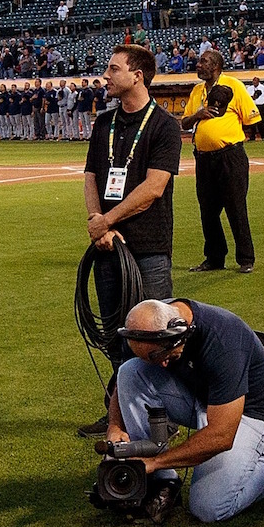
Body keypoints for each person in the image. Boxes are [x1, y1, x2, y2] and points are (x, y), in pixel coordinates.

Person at [104, 298, 264, 524]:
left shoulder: (223, 339)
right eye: (149, 357)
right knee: (130, 371)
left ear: (178, 331)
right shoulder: (141, 331)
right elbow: (122, 380)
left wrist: (157, 461)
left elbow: (221, 436)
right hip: (197, 396)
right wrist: (114, 425)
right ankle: (164, 483)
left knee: (209, 507)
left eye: (161, 355)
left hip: (247, 412)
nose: (160, 365)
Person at [76, 45, 184, 437]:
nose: (105, 75)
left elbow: (153, 188)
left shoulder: (164, 126)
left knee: (157, 337)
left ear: (137, 75)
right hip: (108, 248)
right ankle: (119, 414)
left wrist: (107, 219)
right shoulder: (104, 123)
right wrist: (97, 222)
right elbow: (91, 177)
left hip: (149, 248)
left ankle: (164, 417)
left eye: (113, 68)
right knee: (115, 336)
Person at [182, 49, 261, 273]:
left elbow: (251, 118)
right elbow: (184, 123)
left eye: (203, 61)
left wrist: (226, 136)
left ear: (216, 65)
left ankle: (246, 259)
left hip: (230, 156)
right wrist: (198, 115)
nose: (198, 65)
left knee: (236, 207)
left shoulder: (234, 85)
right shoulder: (197, 91)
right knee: (207, 211)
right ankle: (214, 259)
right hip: (204, 159)